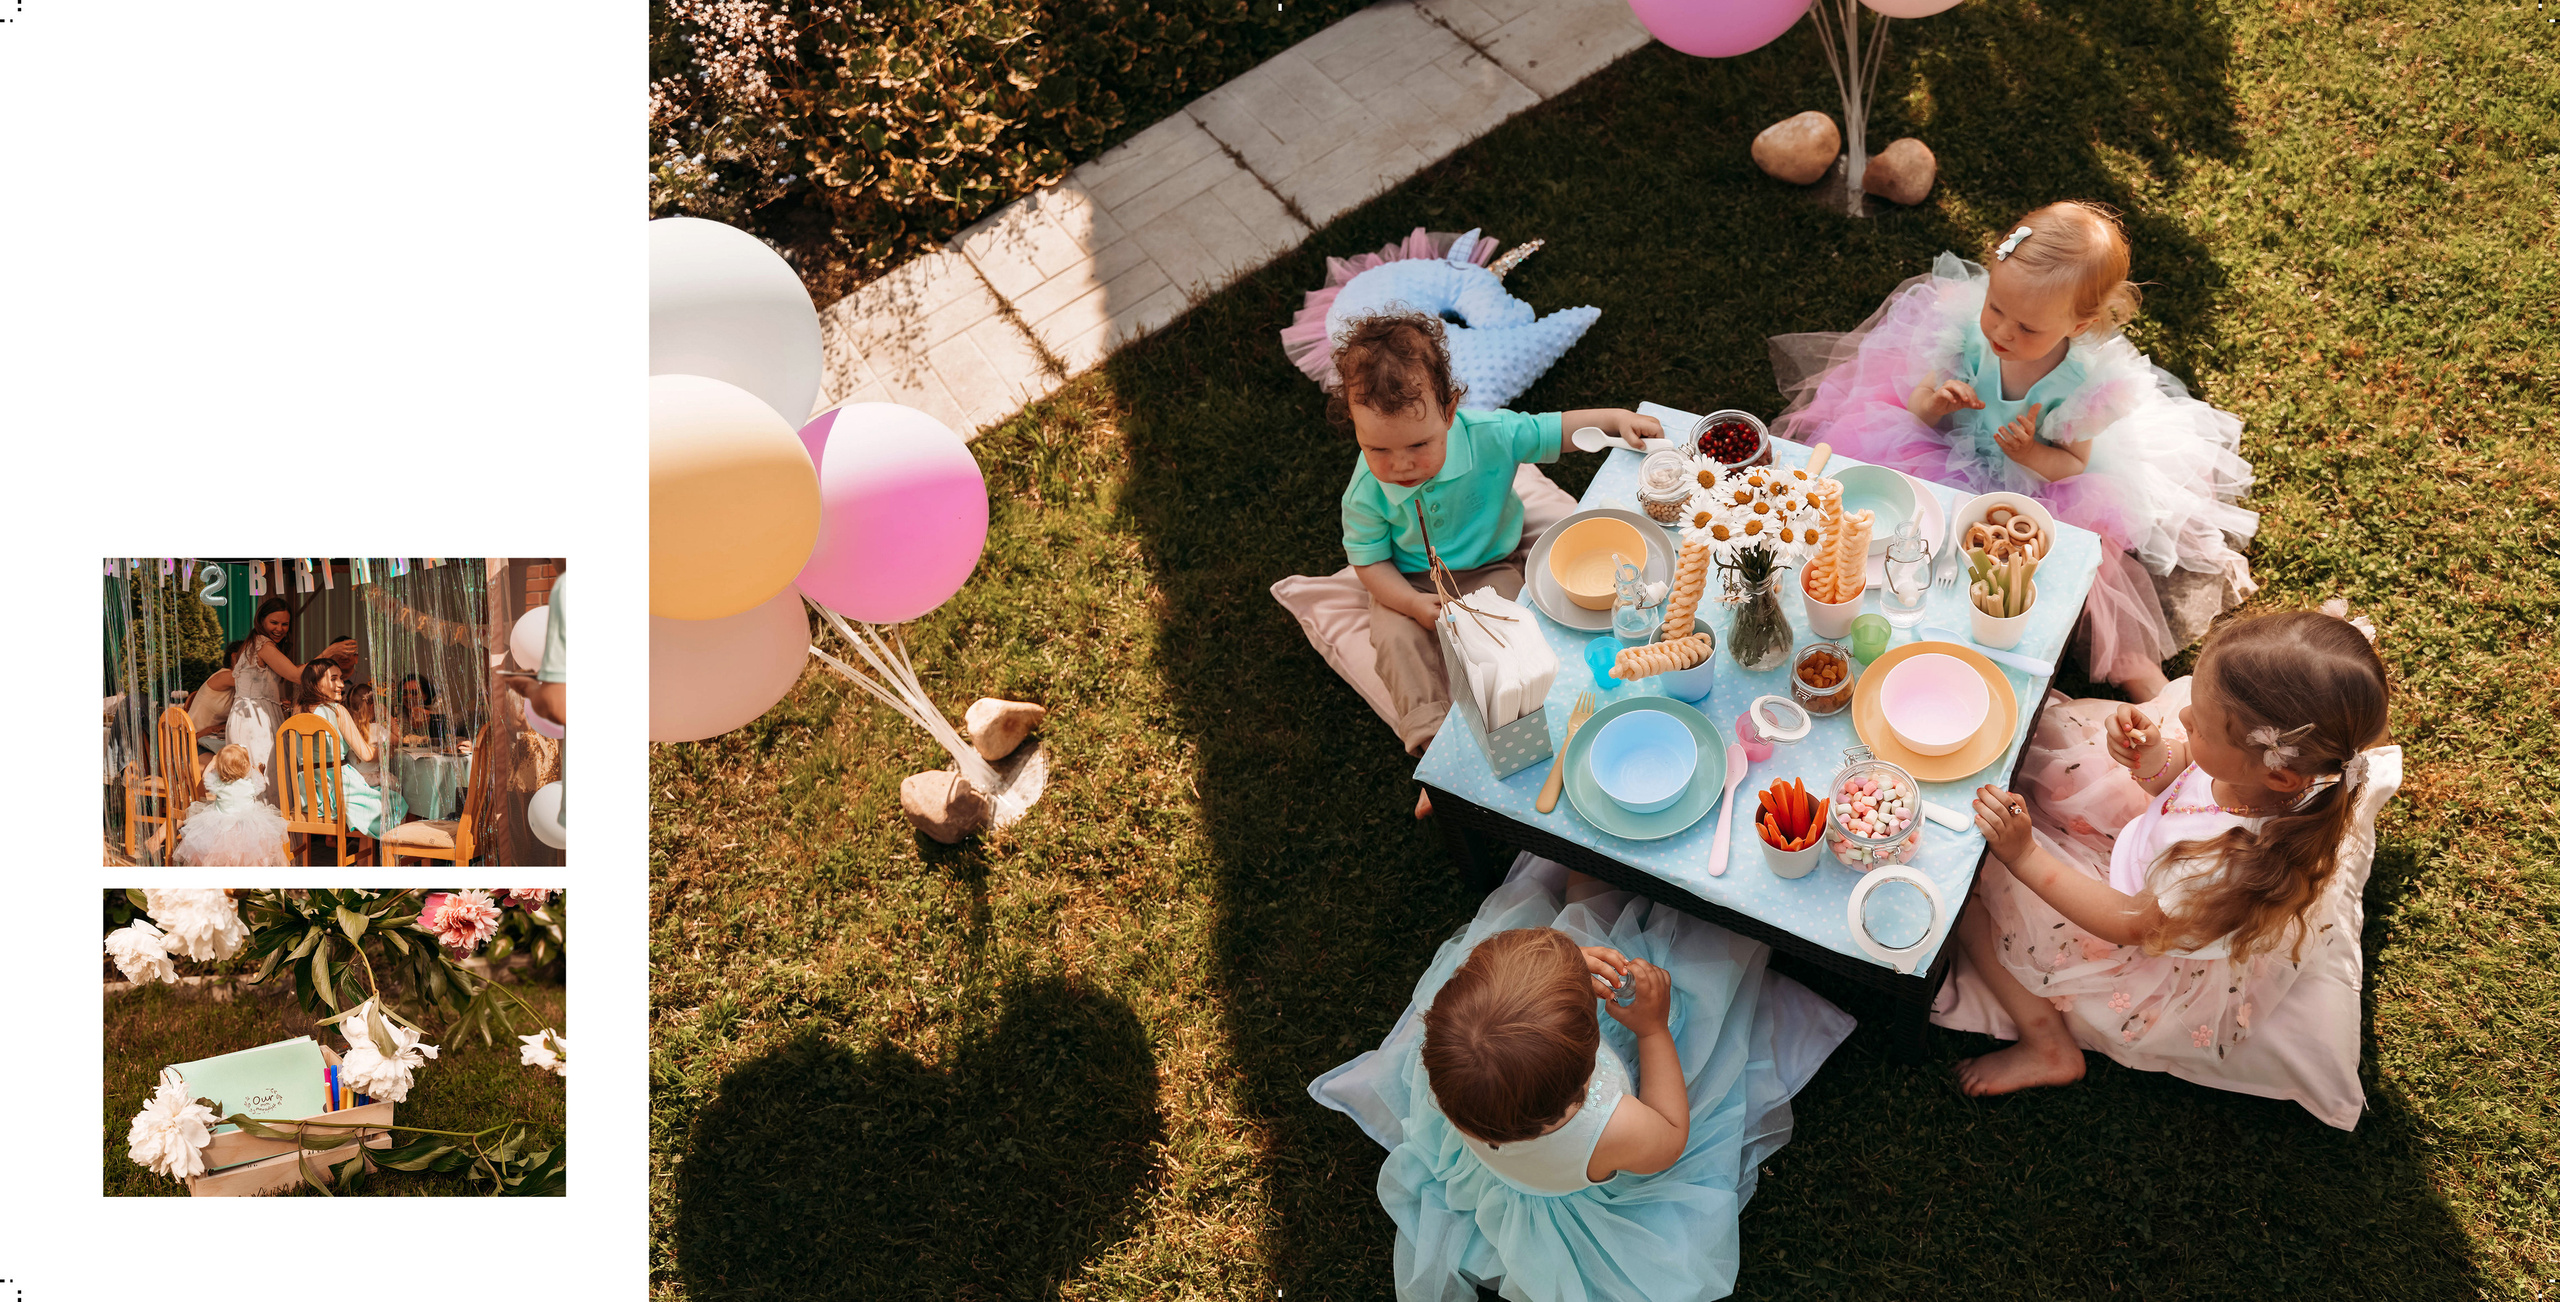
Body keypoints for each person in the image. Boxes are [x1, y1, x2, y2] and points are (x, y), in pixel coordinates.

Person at [1769, 201, 2258, 699]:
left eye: (2027, 328)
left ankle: (2141, 675)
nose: (2003, 331)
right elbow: (1916, 407)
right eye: (1996, 308)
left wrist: (2027, 454)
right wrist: (1937, 403)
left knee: (2070, 573)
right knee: (1890, 523)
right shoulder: (1965, 331)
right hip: (1940, 449)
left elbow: (2072, 465)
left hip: (2032, 485)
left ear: (2079, 326)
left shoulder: (2080, 386)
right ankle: (1863, 607)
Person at [1310, 857, 1853, 1302]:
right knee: (1704, 976)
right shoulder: (1610, 1127)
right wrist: (1651, 1031)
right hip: (1587, 1194)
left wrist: (1565, 963)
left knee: (1573, 924)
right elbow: (1671, 1134)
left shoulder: (1461, 1081)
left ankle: (1585, 900)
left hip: (1513, 1155)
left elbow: (1505, 1017)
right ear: (1586, 1072)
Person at [1950, 608, 2390, 1095]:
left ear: (2278, 775)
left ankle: (2047, 1045)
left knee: (1977, 891)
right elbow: (2185, 780)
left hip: (2139, 923)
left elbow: (2127, 923)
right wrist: (2156, 758)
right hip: (2153, 852)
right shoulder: (2273, 775)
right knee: (2054, 758)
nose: (2181, 716)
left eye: (2199, 724)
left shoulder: (2219, 867)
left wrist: (2024, 856)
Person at [1330, 312, 1659, 816]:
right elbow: (1370, 565)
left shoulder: (1490, 434)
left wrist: (1615, 420)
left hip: (1490, 566)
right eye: (1377, 448)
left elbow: (1556, 431)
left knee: (1513, 633)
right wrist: (1415, 606)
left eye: (1419, 444)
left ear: (1450, 410)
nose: (1400, 465)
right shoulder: (1366, 491)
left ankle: (1518, 724)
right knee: (1395, 642)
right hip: (1407, 580)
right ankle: (1439, 755)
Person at [225, 597, 358, 796]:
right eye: (274, 623)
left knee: (269, 775)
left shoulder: (259, 644)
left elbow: (292, 670)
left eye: (284, 624)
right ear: (261, 621)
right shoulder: (262, 644)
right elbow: (297, 675)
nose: (280, 628)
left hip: (258, 714)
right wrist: (328, 652)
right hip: (253, 718)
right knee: (263, 776)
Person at [293, 661, 408, 847]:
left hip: (309, 797)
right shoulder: (337, 710)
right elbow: (366, 754)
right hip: (338, 794)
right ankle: (384, 862)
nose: (340, 684)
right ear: (316, 683)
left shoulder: (297, 711)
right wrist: (386, 750)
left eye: (340, 678)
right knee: (396, 800)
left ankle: (363, 859)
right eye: (333, 678)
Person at [173, 744, 288, 866]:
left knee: (219, 854)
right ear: (246, 765)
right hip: (248, 825)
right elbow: (261, 782)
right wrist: (260, 771)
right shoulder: (251, 783)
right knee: (255, 852)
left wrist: (213, 761)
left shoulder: (218, 783)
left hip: (221, 826)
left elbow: (204, 776)